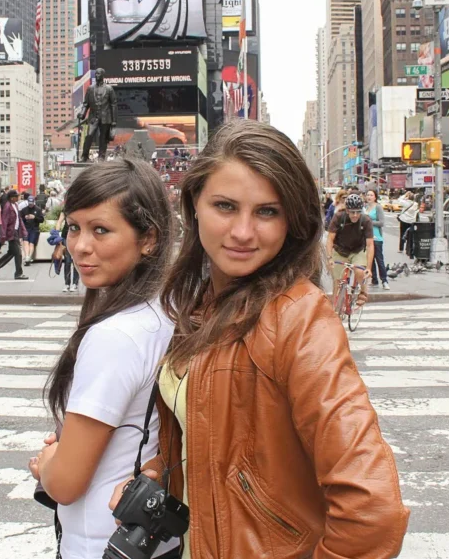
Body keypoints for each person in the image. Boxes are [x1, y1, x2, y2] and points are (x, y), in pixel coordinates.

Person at [109, 121, 408, 558]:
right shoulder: (200, 303)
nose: (243, 232)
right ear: (194, 205)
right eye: (225, 206)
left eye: (267, 211)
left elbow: (373, 511)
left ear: (293, 218)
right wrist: (161, 474)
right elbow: (226, 439)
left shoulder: (300, 319)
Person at [29, 159, 176, 559]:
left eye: (101, 230)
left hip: (99, 544)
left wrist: (49, 461)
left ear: (149, 239)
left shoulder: (115, 335)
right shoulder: (168, 311)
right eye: (74, 227)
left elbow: (66, 484)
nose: (80, 245)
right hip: (151, 540)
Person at [327, 194, 375, 307]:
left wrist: (368, 268)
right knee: (337, 282)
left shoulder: (366, 220)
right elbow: (329, 240)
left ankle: (363, 292)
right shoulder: (338, 217)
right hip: (340, 250)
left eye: (358, 212)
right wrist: (329, 258)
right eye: (352, 212)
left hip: (358, 250)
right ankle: (336, 310)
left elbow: (370, 246)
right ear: (347, 210)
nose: (355, 215)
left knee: (359, 271)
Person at [79, 68, 117, 162]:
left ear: (103, 75)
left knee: (103, 138)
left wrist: (114, 120)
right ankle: (84, 156)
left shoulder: (109, 89)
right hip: (93, 117)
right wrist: (82, 113)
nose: (96, 75)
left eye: (99, 74)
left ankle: (101, 157)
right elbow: (85, 104)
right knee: (89, 136)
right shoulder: (90, 88)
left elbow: (113, 104)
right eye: (96, 74)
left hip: (105, 117)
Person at [0, 190, 29, 279]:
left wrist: (23, 230)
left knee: (11, 253)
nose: (18, 198)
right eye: (16, 196)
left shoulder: (15, 205)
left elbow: (19, 219)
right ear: (12, 198)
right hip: (11, 233)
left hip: (16, 231)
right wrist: (3, 235)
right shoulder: (7, 207)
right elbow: (4, 221)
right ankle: (18, 273)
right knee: (18, 253)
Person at [365, 188, 390, 291]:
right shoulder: (365, 208)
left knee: (379, 259)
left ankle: (384, 281)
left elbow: (381, 222)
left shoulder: (378, 207)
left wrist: (369, 222)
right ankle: (374, 279)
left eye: (371, 195)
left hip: (377, 237)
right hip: (367, 237)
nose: (369, 197)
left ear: (375, 197)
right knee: (370, 259)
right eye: (368, 195)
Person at [55, 210, 79, 293]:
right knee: (68, 261)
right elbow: (59, 221)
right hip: (66, 237)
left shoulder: (78, 208)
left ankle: (75, 283)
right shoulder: (65, 210)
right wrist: (56, 233)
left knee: (76, 260)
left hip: (77, 237)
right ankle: (67, 283)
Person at [22, 194, 44, 266]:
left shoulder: (37, 209)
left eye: (31, 203)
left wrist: (34, 217)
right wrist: (25, 218)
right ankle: (27, 256)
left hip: (34, 228)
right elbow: (20, 220)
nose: (30, 205)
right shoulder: (24, 210)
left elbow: (41, 220)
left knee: (31, 243)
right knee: (25, 242)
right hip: (26, 228)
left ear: (34, 202)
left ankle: (29, 256)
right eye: (29, 203)